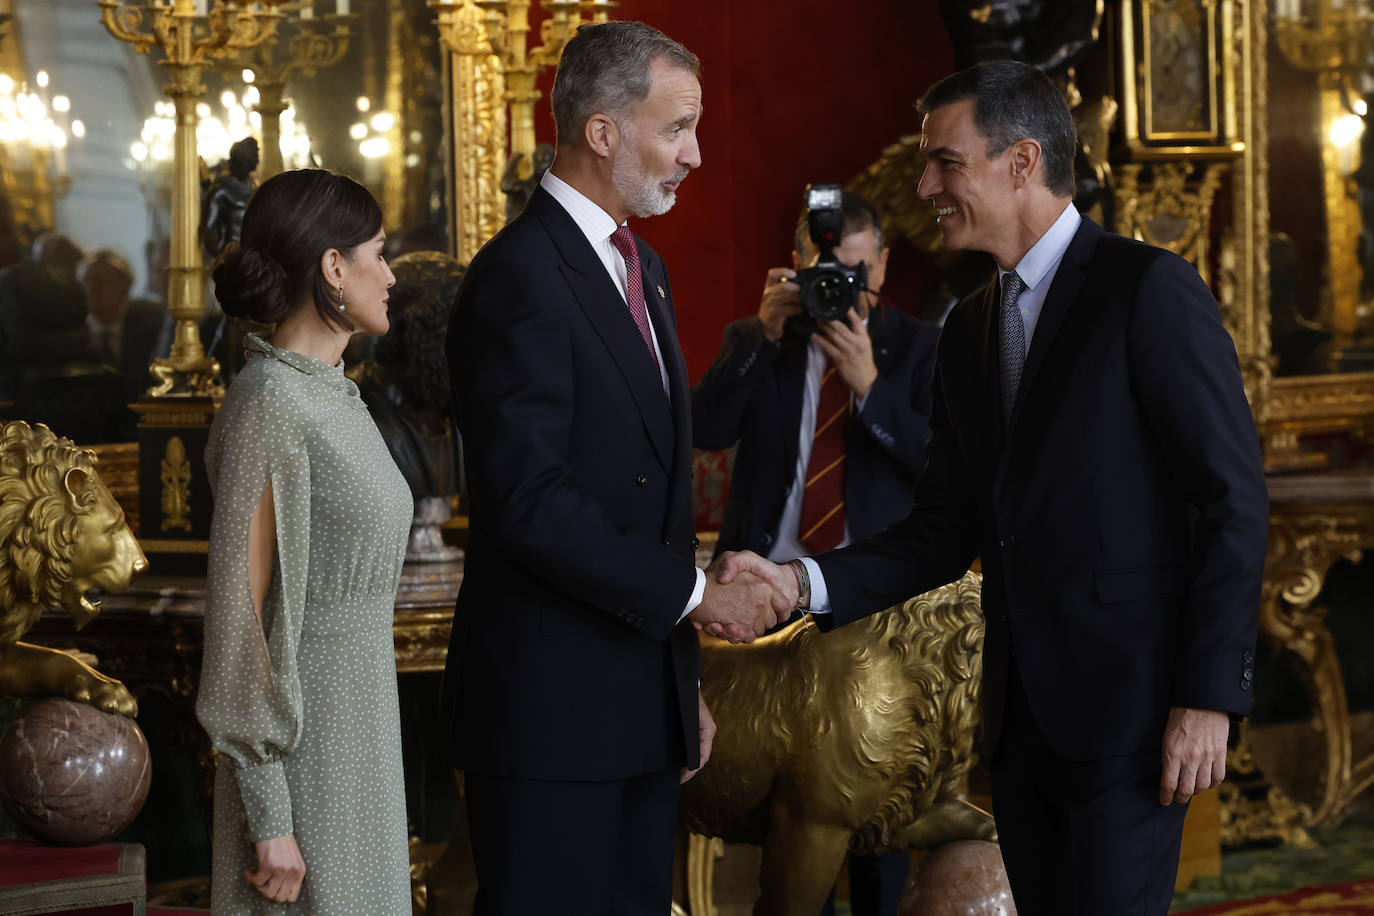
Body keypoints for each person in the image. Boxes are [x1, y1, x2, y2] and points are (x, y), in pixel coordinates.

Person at [713, 60, 1269, 916]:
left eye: (946, 163)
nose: (925, 184)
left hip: (1134, 719)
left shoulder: (1147, 290)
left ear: (1021, 161)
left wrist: (1207, 697)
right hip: (1017, 732)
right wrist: (798, 584)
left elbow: (1231, 501)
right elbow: (940, 528)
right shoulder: (969, 326)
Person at [439, 20, 783, 914]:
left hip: (632, 707)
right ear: (602, 132)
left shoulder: (644, 265)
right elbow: (530, 502)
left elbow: (649, 504)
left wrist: (677, 692)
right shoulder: (519, 273)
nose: (696, 155)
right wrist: (700, 597)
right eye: (677, 129)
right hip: (548, 718)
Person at [692, 191, 938, 916]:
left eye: (856, 274)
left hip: (871, 600)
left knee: (874, 788)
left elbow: (944, 469)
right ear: (796, 266)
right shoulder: (761, 339)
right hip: (764, 596)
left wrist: (870, 389)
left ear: (884, 268)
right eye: (824, 272)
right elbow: (703, 429)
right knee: (783, 797)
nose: (840, 291)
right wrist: (760, 340)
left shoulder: (920, 348)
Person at [196, 168, 411, 913]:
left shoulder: (333, 394)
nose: (388, 275)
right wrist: (269, 815)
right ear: (332, 266)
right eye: (377, 254)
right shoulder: (270, 401)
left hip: (363, 731)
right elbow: (238, 614)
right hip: (305, 752)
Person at [78, 248, 164, 405]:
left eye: (101, 281)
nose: (92, 288)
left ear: (124, 285)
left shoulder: (150, 330)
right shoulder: (71, 333)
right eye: (87, 280)